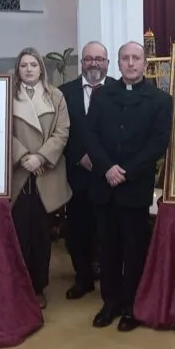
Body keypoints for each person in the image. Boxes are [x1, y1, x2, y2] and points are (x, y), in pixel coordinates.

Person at [84, 41, 172, 332]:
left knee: (134, 248)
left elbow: (158, 143)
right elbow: (91, 135)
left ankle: (133, 306)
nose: (131, 63)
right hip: (104, 184)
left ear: (144, 64)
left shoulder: (159, 100)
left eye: (136, 58)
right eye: (125, 59)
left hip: (134, 186)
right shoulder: (102, 96)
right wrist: (107, 167)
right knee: (107, 247)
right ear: (117, 64)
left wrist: (127, 171)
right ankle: (110, 302)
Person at [11, 48, 71, 309]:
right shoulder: (8, 96)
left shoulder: (55, 96)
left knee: (42, 235)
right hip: (19, 173)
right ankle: (19, 285)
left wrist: (41, 157)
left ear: (41, 68)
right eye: (23, 65)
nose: (28, 69)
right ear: (18, 70)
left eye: (33, 64)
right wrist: (24, 156)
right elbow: (0, 129)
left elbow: (62, 131)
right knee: (18, 233)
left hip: (46, 171)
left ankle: (38, 287)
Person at [58, 41, 109, 300]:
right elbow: (60, 132)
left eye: (99, 59)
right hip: (77, 173)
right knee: (78, 229)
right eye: (88, 59)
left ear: (107, 63)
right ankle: (83, 278)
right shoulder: (63, 93)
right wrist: (80, 156)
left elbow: (123, 130)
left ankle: (110, 279)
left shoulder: (119, 90)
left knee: (107, 229)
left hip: (108, 175)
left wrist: (101, 158)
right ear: (82, 63)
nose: (93, 63)